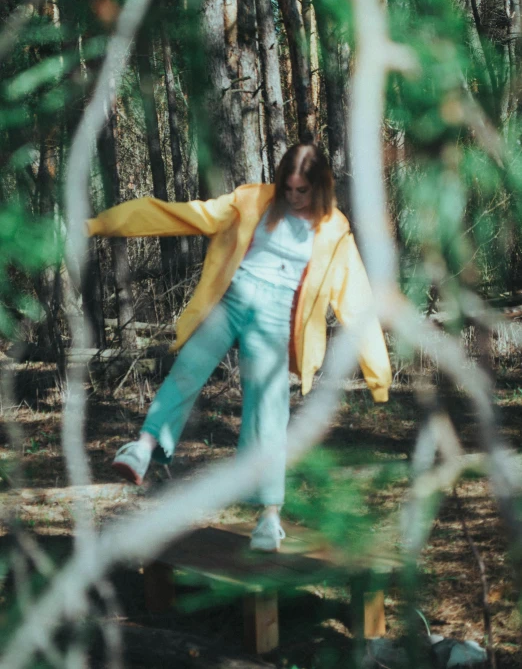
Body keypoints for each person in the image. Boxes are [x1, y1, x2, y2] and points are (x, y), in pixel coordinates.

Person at [87, 143, 392, 551]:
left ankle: (268, 516)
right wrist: (101, 224)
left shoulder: (335, 230)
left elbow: (356, 299)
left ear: (319, 188)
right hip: (232, 301)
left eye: (303, 191)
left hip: (275, 318)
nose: (295, 198)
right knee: (188, 369)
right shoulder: (252, 201)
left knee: (267, 409)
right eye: (289, 189)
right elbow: (185, 215)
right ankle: (143, 448)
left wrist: (379, 376)